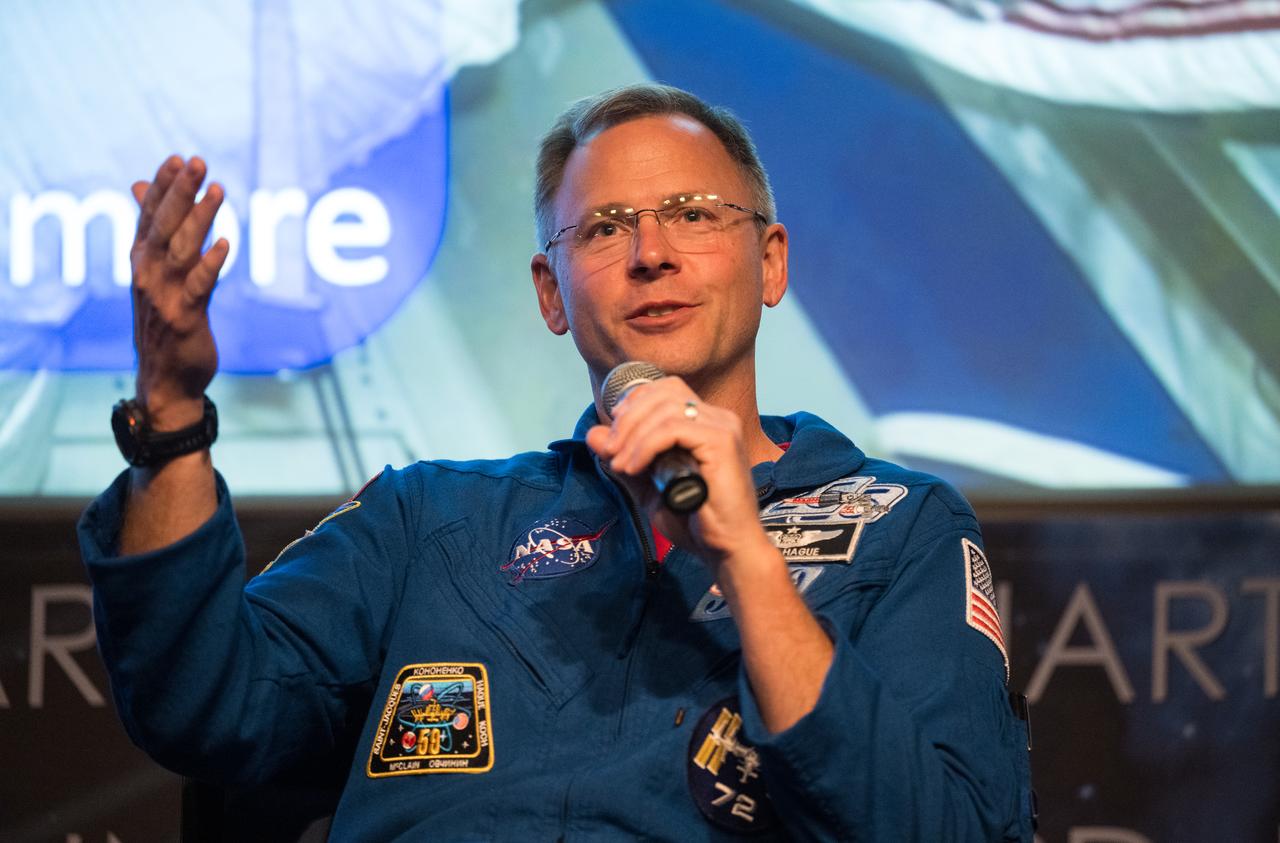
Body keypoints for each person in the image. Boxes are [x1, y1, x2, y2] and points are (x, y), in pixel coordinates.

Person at [79, 83, 1034, 840]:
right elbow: (200, 704)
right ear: (550, 291)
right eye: (606, 227)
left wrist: (747, 556)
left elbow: (944, 825)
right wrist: (170, 413)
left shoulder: (900, 525)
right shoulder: (433, 520)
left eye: (694, 214)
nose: (651, 253)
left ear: (771, 262)